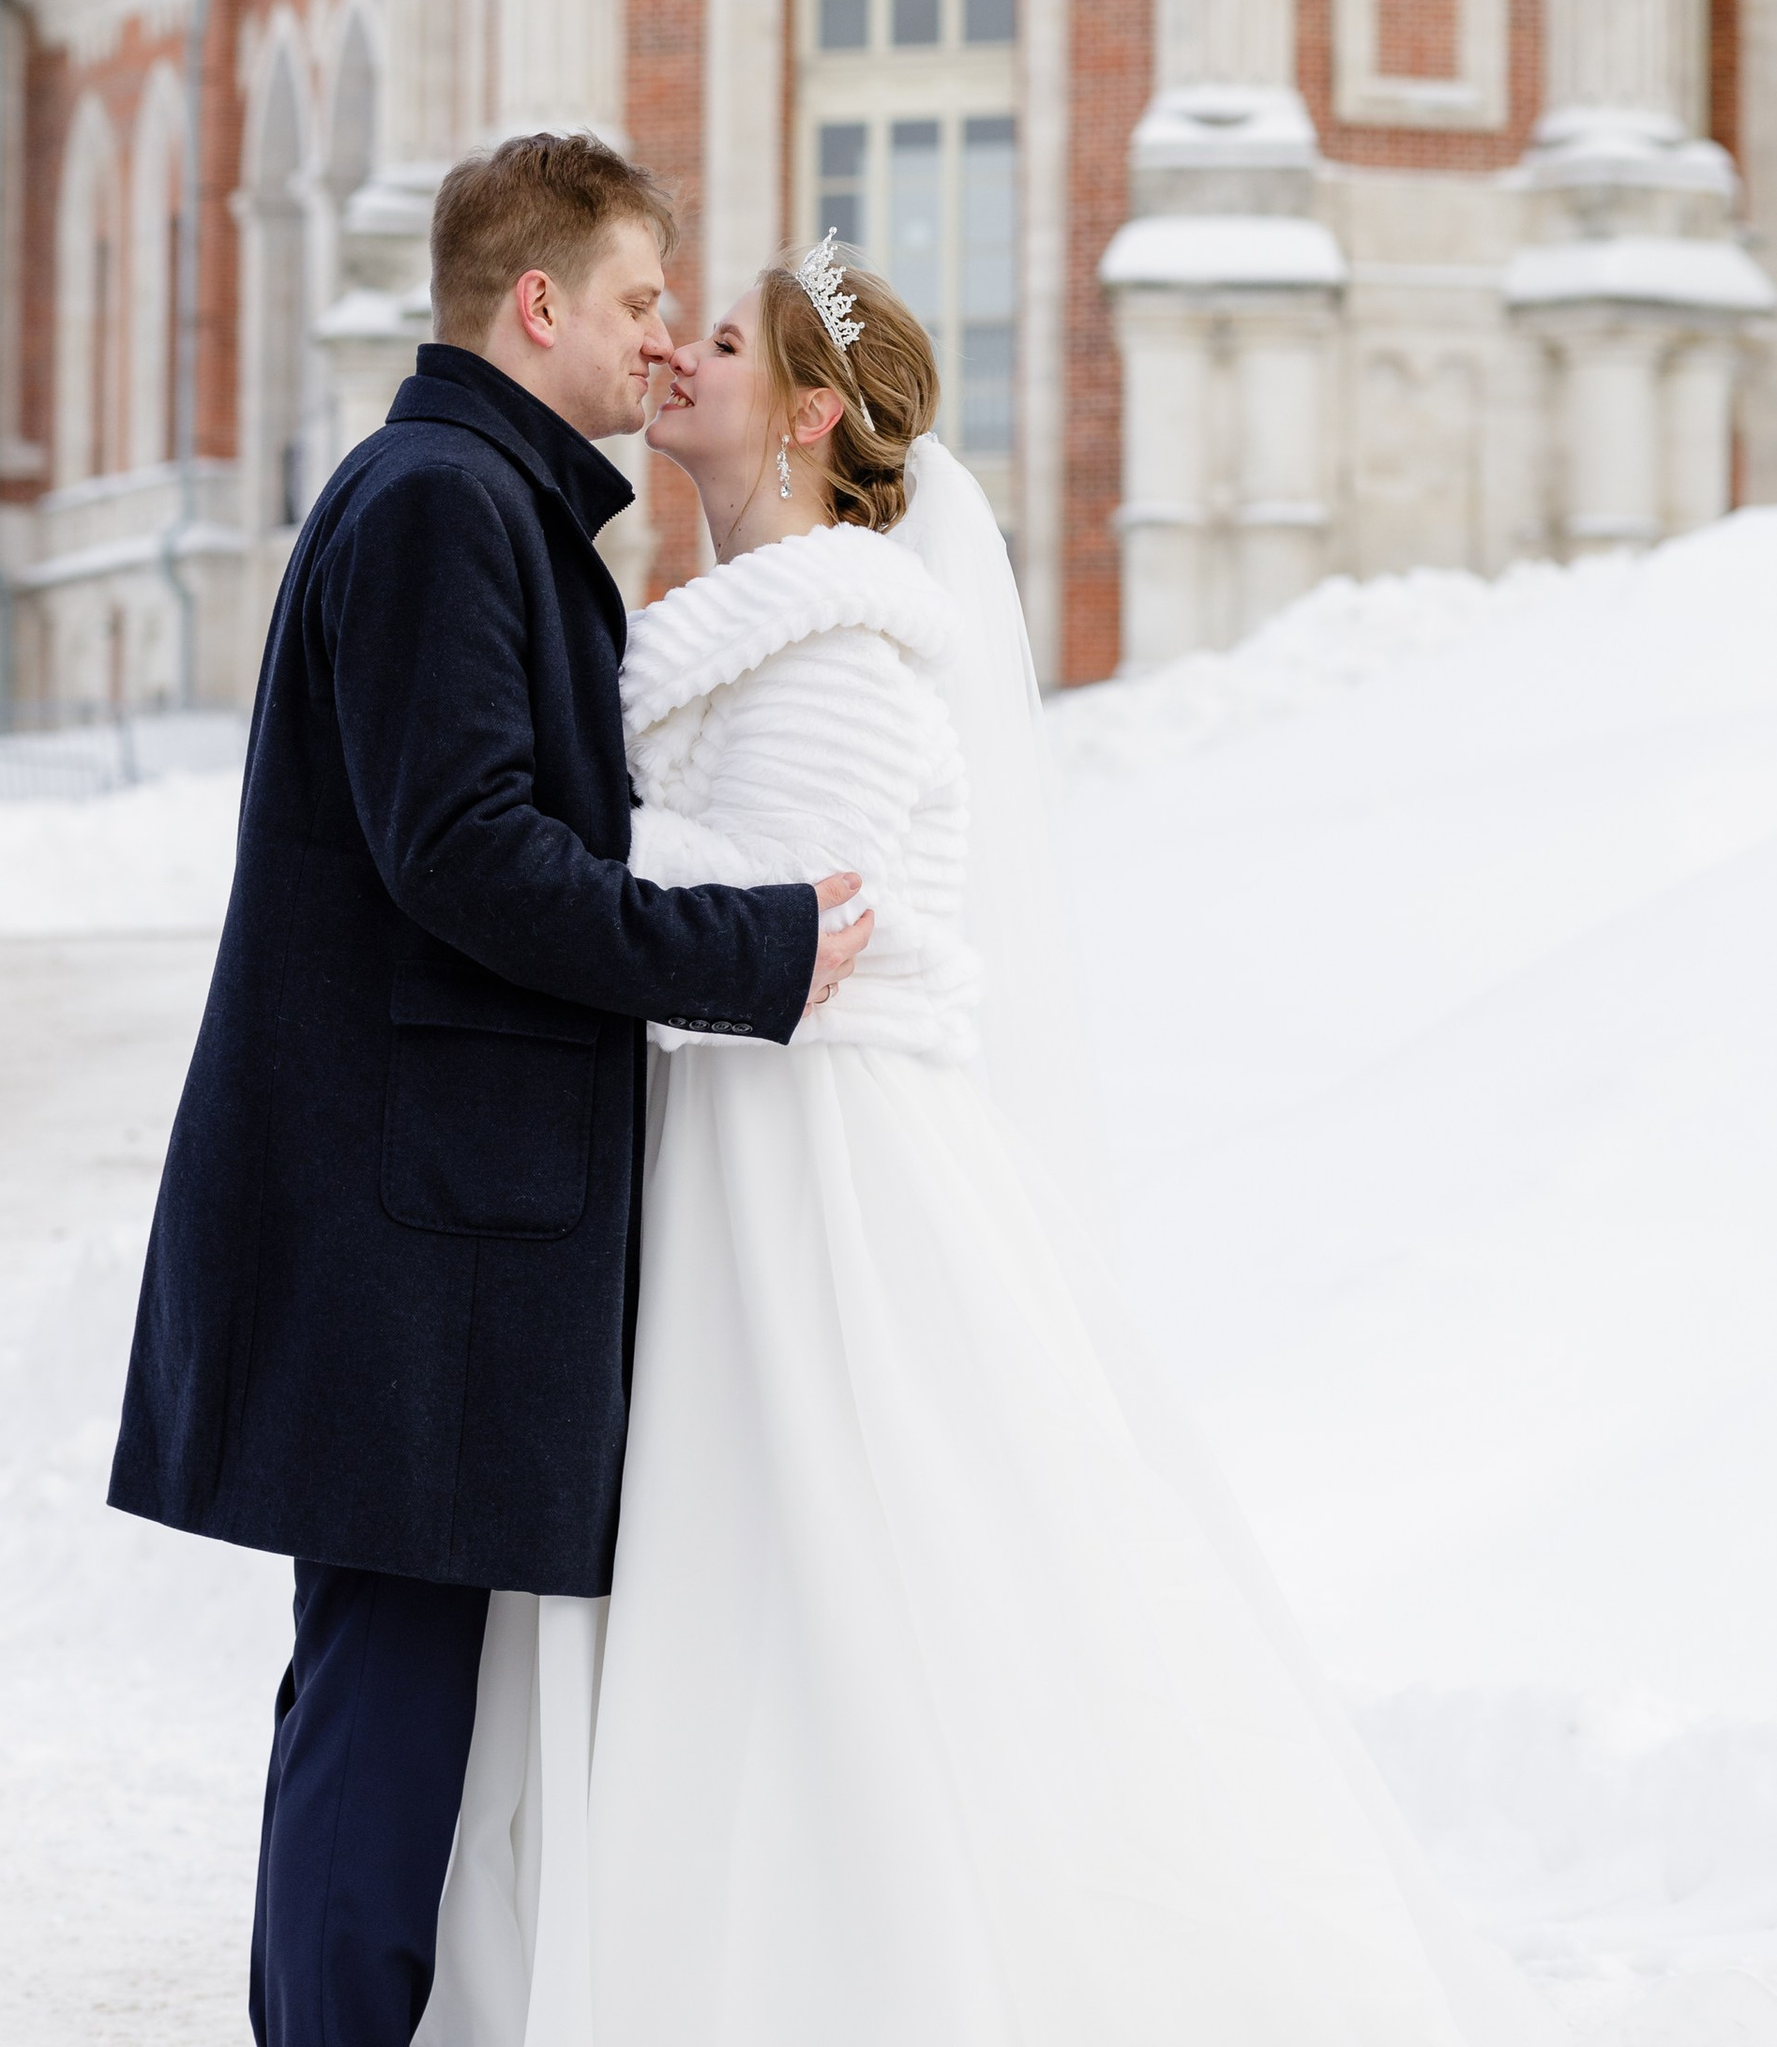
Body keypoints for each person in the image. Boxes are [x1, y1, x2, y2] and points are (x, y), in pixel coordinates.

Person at [421, 240, 1557, 2047]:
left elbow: (804, 923)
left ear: (804, 412)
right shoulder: (726, 636)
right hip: (712, 1151)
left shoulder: (849, 651)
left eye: (720, 341)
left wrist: (563, 870)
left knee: (855, 1573)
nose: (680, 359)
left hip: (811, 1172)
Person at [108, 133, 875, 2047]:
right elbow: (464, 853)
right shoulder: (447, 504)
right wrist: (747, 952)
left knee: (378, 1685)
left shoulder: (467, 497)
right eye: (632, 301)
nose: (650, 344)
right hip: (411, 1232)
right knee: (382, 1697)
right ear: (536, 304)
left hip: (416, 1218)